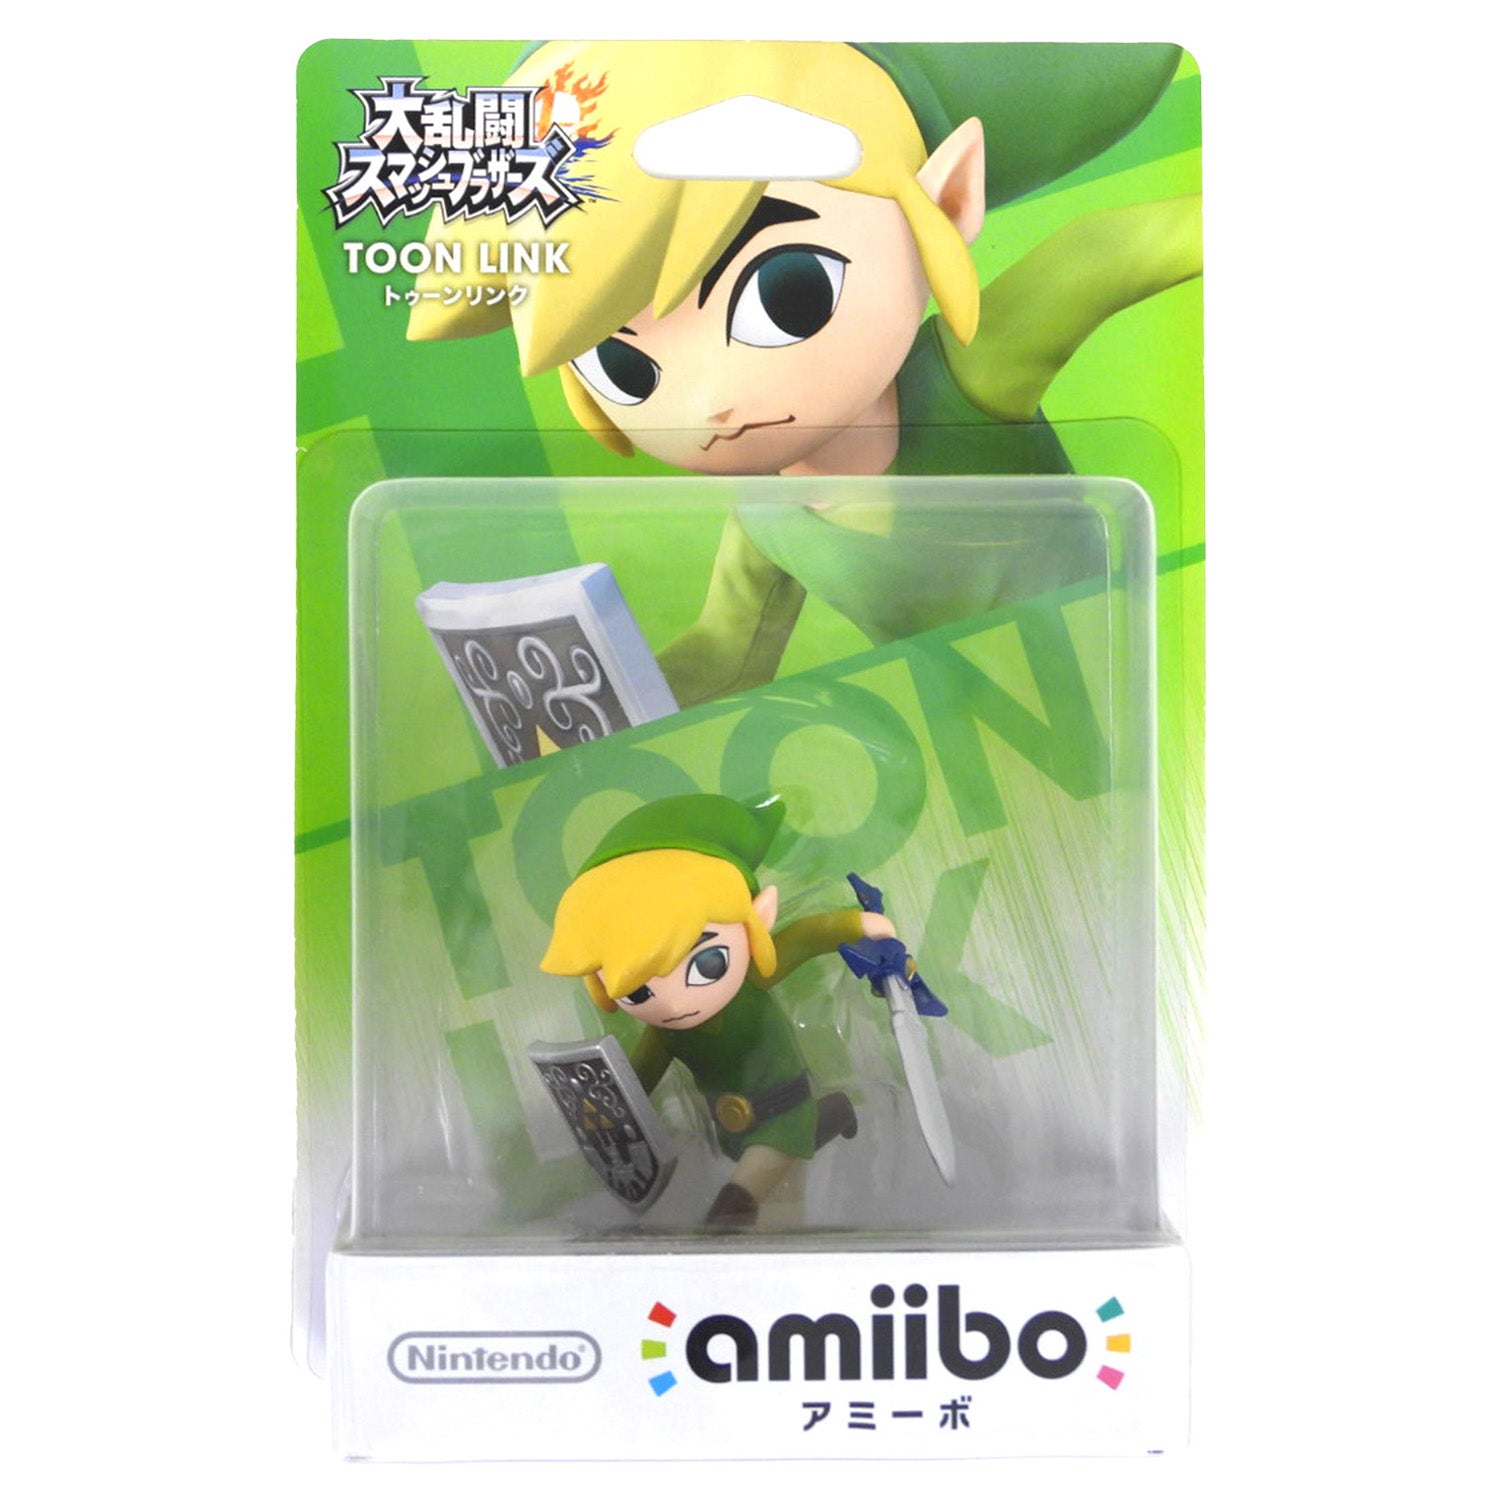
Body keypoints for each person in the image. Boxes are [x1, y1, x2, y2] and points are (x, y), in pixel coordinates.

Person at [410, 40, 1201, 703]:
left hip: (1133, 686)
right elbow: (728, 650)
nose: (709, 402)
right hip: (978, 748)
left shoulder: (967, 385)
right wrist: (597, 703)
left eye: (787, 291)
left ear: (949, 197)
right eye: (623, 364)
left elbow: (1104, 253)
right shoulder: (768, 513)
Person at [541, 794, 893, 1227]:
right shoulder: (667, 1033)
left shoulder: (752, 979)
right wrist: (605, 1115)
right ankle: (833, 1113)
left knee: (735, 1206)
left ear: (758, 918)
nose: (675, 1002)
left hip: (785, 1110)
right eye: (638, 990)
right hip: (731, 1129)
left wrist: (858, 925)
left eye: (707, 963)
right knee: (780, 1212)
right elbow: (636, 1081)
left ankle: (745, 1210)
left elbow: (804, 936)